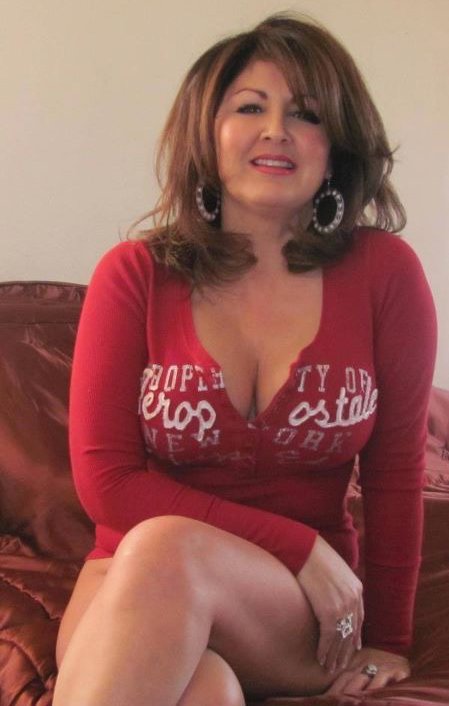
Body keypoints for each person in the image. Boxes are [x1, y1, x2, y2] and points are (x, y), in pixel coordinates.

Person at [53, 13, 437, 705]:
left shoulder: (384, 274)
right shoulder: (135, 273)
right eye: (250, 107)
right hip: (127, 575)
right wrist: (296, 542)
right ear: (207, 134)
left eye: (306, 114)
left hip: (293, 605)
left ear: (335, 146)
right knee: (205, 690)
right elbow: (107, 483)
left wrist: (390, 640)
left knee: (169, 548)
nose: (276, 130)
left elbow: (396, 472)